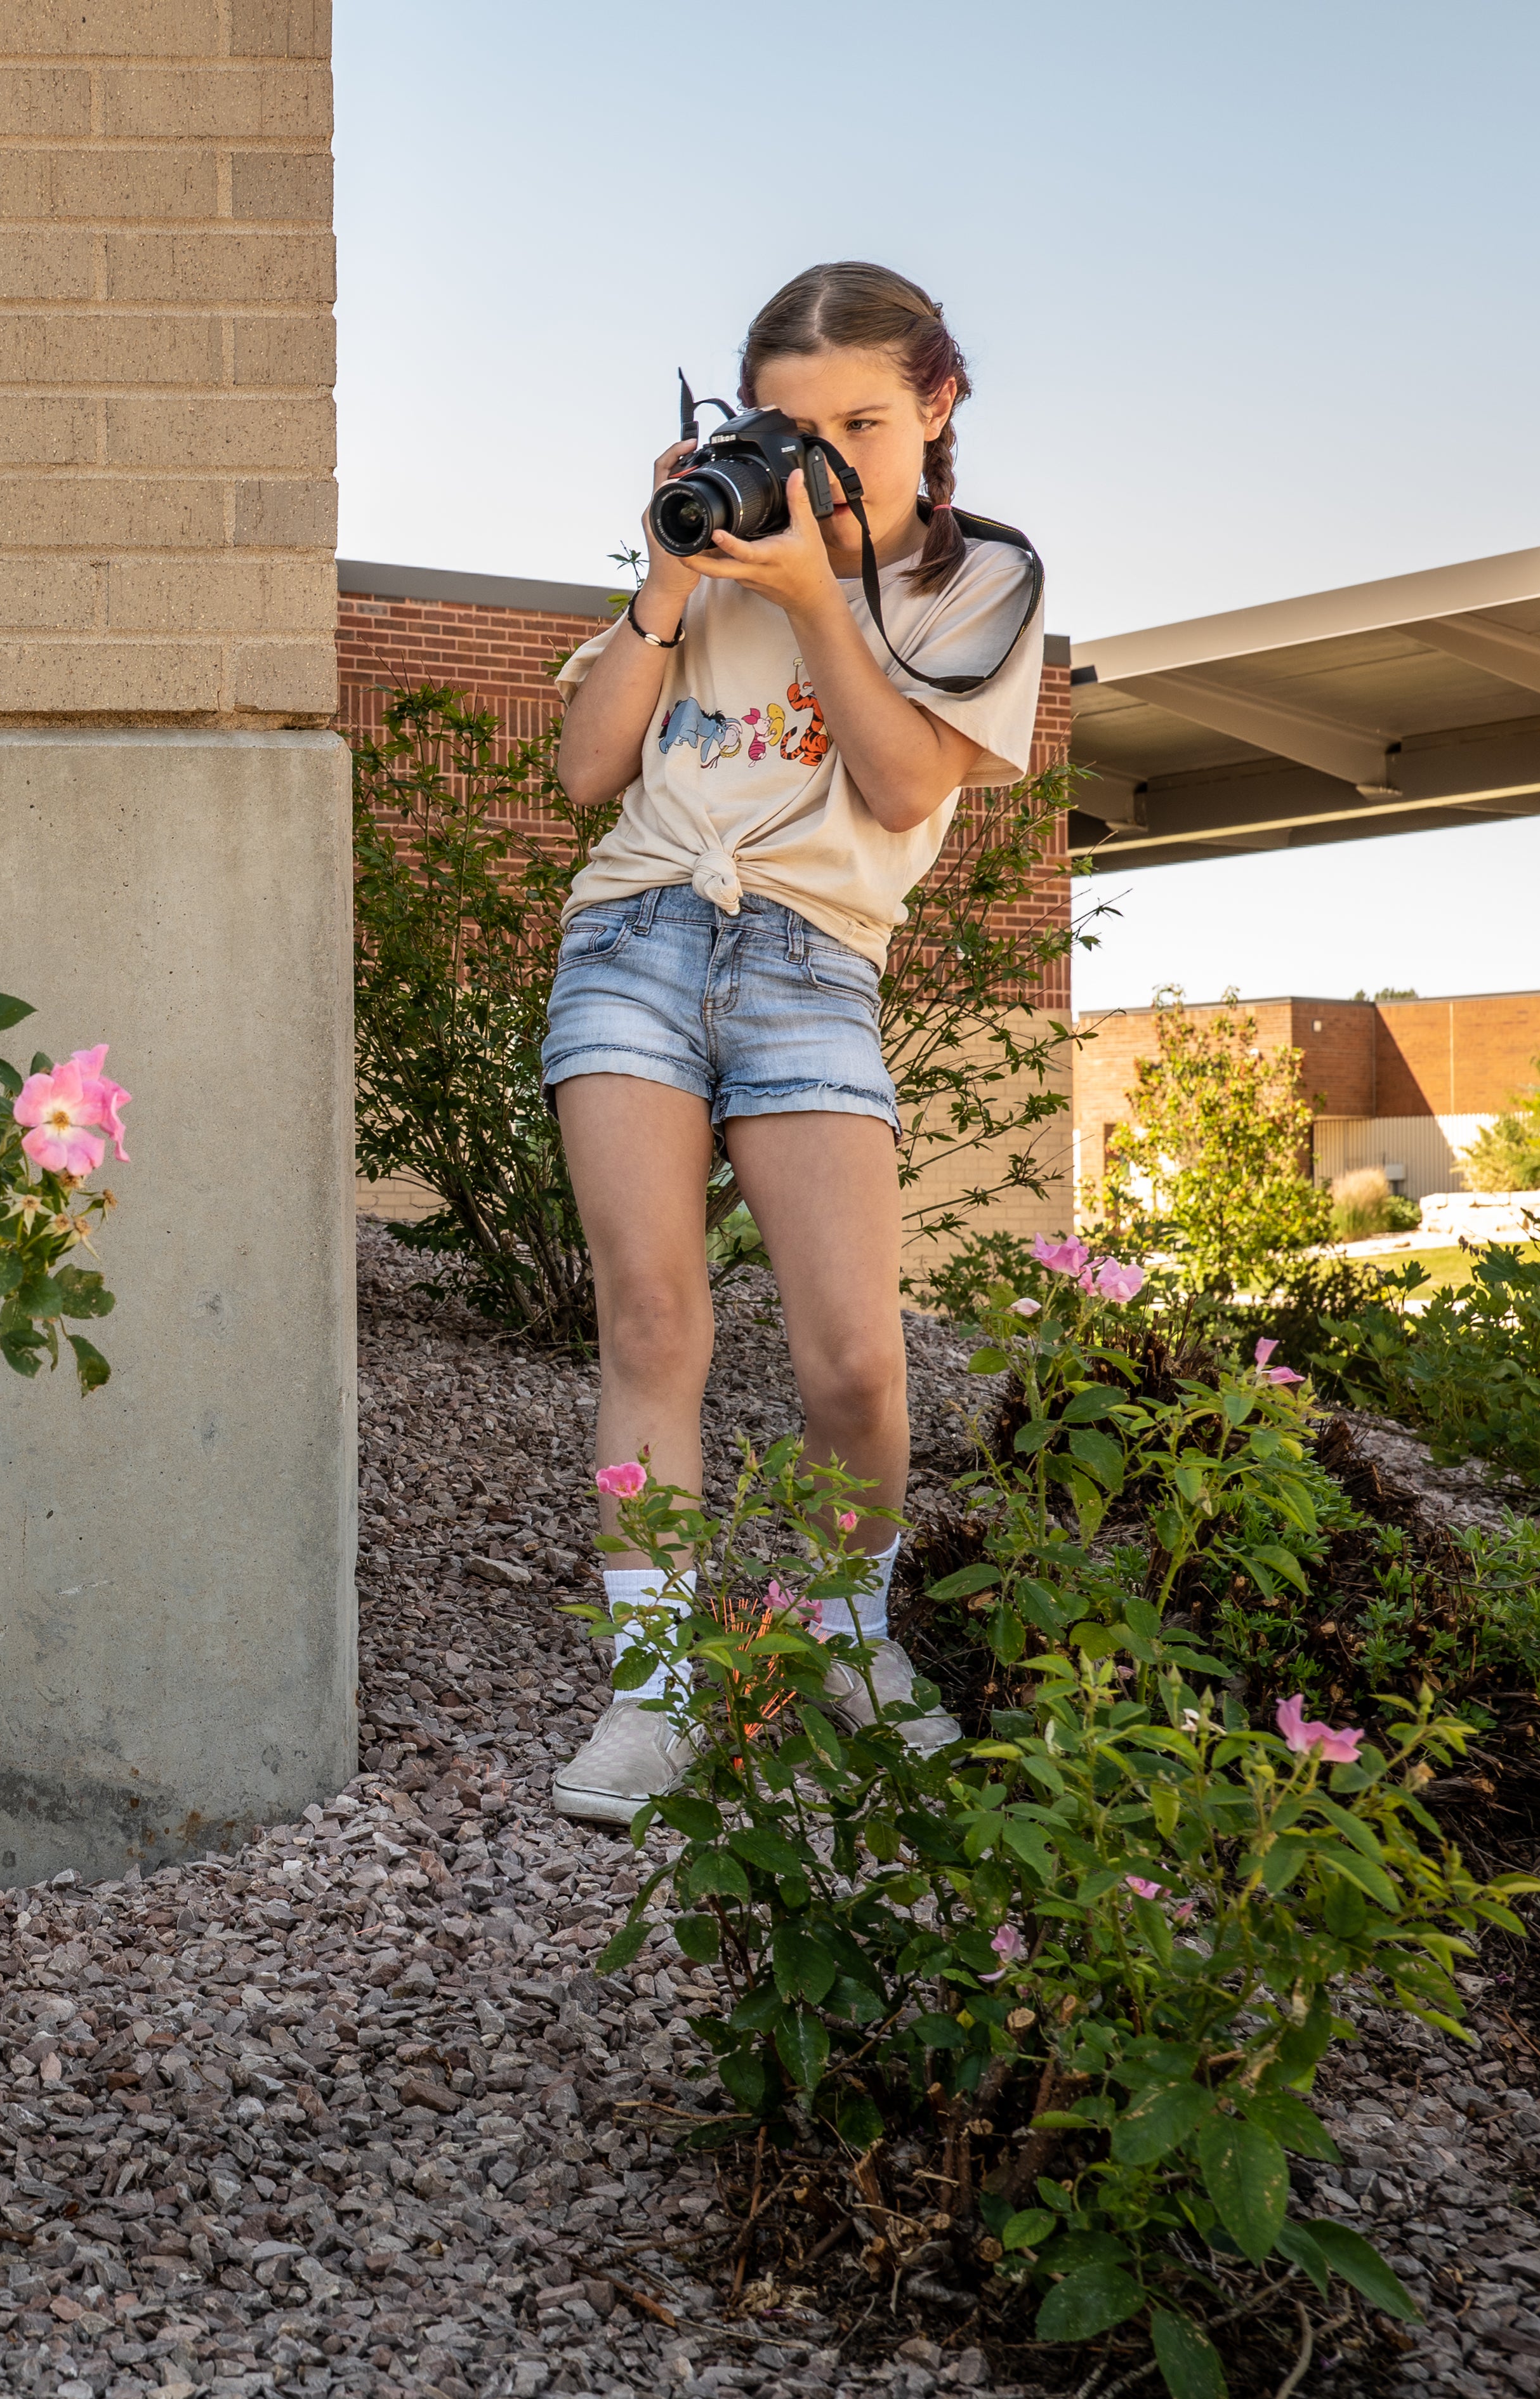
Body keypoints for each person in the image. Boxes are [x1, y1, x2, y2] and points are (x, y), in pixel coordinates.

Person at [541, 261, 1048, 1827]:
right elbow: (581, 772)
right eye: (791, 420)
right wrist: (672, 571)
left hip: (812, 958)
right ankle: (654, 1694)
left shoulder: (980, 579)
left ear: (937, 406)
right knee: (653, 1325)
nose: (824, 452)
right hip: (635, 934)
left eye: (864, 419)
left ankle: (847, 1635)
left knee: (852, 1358)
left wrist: (818, 594)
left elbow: (901, 792)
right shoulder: (710, 550)